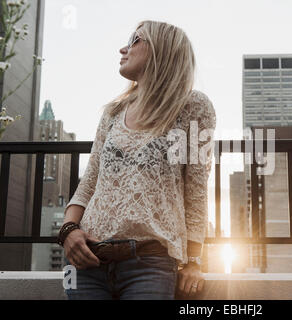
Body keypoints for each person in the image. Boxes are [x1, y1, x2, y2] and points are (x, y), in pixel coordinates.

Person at [59, 20, 216, 300]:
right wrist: (68, 231)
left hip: (150, 264)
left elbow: (196, 190)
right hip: (85, 262)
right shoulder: (113, 112)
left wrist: (194, 262)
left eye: (135, 40)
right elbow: (90, 182)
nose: (123, 48)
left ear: (161, 50)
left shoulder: (193, 106)